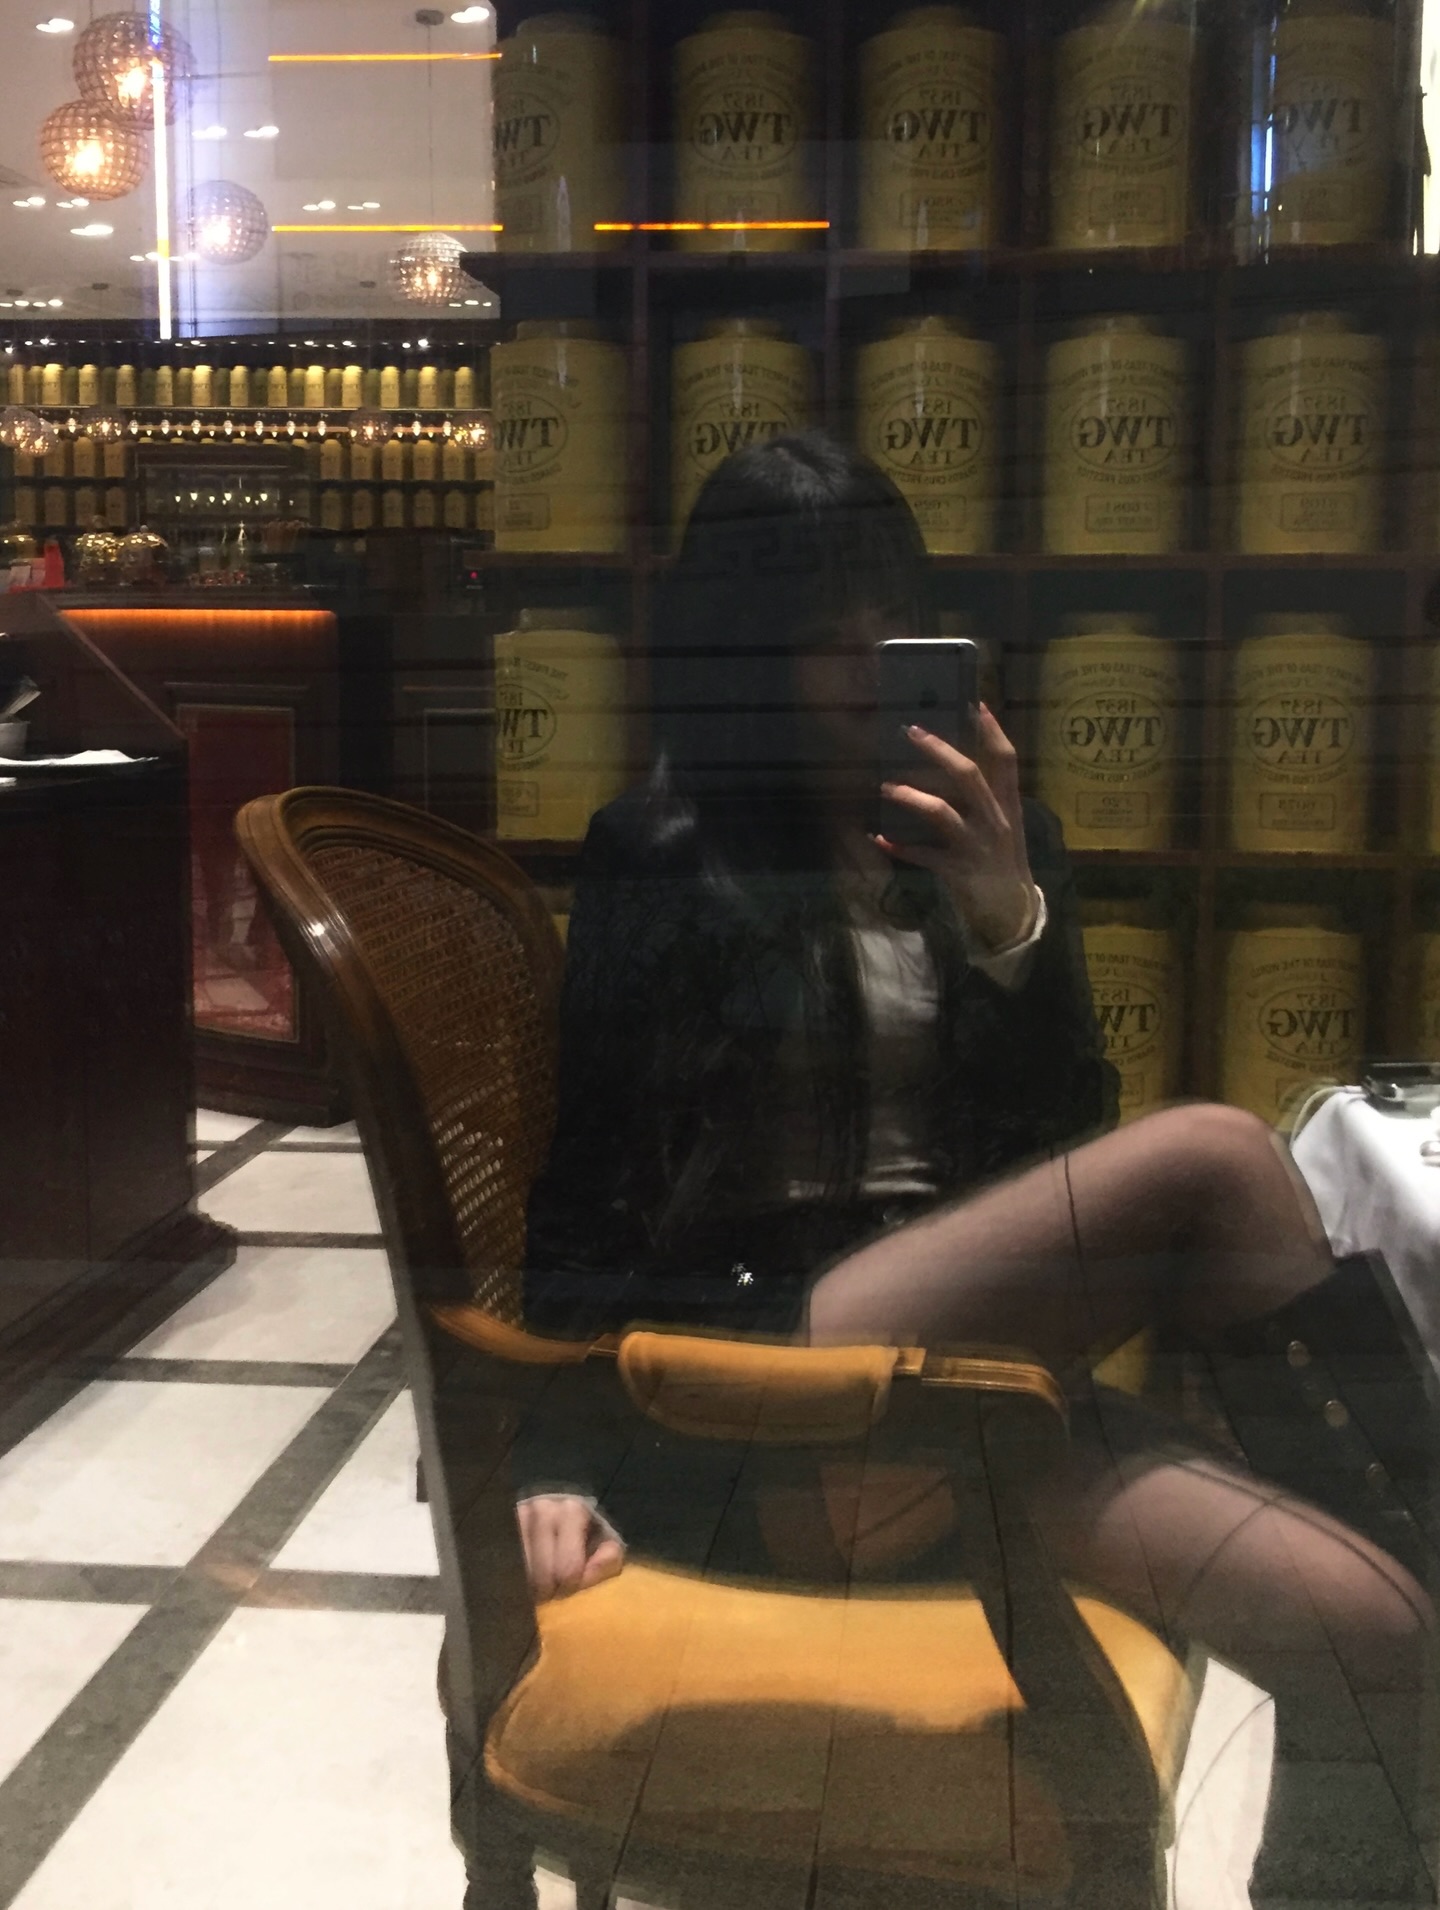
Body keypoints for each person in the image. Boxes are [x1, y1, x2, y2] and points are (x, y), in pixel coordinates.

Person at [517, 432, 1436, 1902]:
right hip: (766, 1407)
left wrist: (1010, 920)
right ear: (745, 655)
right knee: (1214, 1155)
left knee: (1382, 1636)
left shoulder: (1005, 838)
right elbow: (587, 1185)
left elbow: (1052, 1169)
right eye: (824, 632)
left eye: (894, 618)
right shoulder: (664, 851)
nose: (870, 660)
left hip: (970, 1403)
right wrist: (553, 1457)